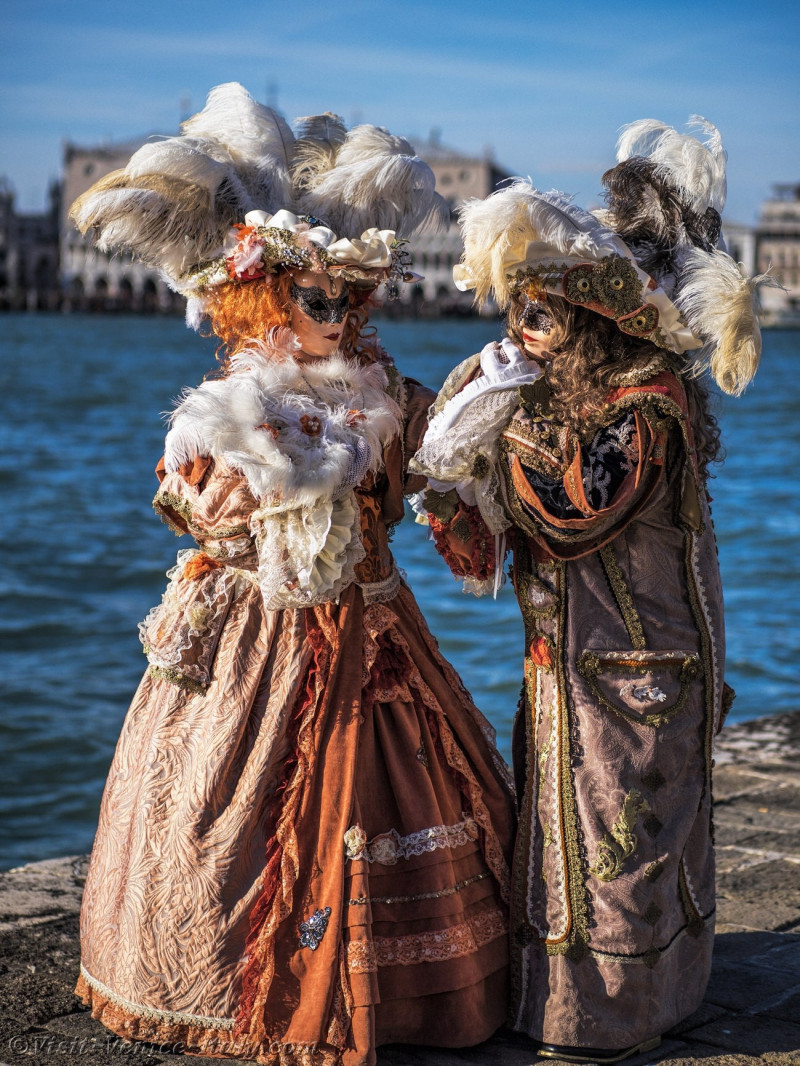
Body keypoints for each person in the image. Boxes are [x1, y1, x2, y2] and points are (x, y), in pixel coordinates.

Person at [70, 83, 515, 1066]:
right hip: (251, 636)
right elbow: (199, 511)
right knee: (217, 816)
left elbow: (437, 490)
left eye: (355, 298)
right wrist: (280, 477)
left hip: (372, 624)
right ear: (263, 296)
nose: (342, 315)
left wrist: (467, 454)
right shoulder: (228, 407)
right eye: (318, 299)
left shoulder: (390, 391)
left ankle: (404, 991)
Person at [411, 118, 770, 1064]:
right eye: (513, 316)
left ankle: (618, 1012)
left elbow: (575, 512)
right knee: (566, 826)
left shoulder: (648, 405)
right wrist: (454, 466)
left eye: (538, 320)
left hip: (638, 671)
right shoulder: (570, 400)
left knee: (623, 839)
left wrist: (500, 426)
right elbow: (488, 548)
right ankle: (563, 1006)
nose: (517, 338)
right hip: (568, 667)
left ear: (592, 327)